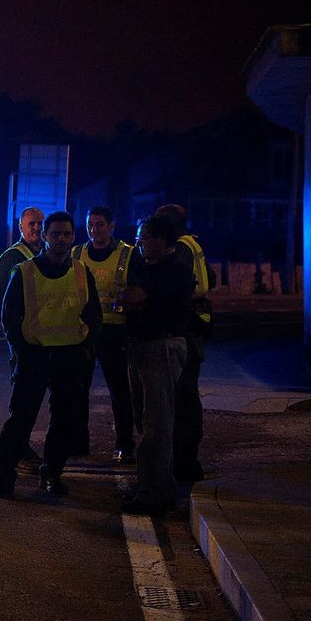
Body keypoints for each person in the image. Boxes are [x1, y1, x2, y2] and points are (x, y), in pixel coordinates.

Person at [0, 211, 103, 498]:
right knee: (21, 418)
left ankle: (52, 473)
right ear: (45, 237)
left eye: (66, 234)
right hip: (34, 356)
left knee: (64, 419)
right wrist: (23, 351)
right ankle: (3, 474)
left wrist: (86, 351)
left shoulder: (81, 272)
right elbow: (9, 316)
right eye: (55, 234)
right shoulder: (24, 272)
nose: (61, 239)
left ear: (73, 237)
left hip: (69, 357)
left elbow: (93, 316)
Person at [119, 214, 195, 515]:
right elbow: (127, 299)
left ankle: (156, 493)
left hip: (161, 348)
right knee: (145, 421)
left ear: (163, 240)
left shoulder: (174, 270)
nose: (139, 243)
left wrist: (133, 298)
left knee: (156, 425)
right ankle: (152, 485)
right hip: (141, 347)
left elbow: (132, 296)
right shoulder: (146, 266)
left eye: (145, 237)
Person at [72, 206, 136, 462]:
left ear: (112, 226)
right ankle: (78, 442)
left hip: (115, 331)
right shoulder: (77, 253)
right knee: (78, 389)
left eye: (99, 224)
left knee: (120, 391)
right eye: (90, 225)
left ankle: (125, 443)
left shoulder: (128, 254)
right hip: (84, 331)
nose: (94, 230)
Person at [156, 203, 210, 482]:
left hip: (186, 330)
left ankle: (185, 461)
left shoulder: (181, 249)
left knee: (182, 398)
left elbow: (177, 288)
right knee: (186, 397)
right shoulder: (193, 243)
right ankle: (185, 460)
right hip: (194, 328)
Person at [0, 206, 47, 467]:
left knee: (40, 398)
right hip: (24, 342)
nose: (37, 228)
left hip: (49, 340)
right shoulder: (12, 258)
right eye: (32, 224)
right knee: (24, 398)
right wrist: (15, 338)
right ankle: (16, 450)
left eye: (40, 223)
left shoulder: (48, 256)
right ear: (21, 228)